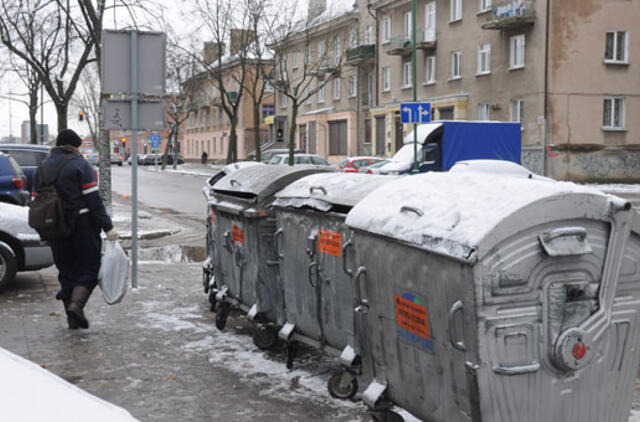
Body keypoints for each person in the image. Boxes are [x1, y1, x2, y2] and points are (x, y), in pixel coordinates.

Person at [34, 129, 118, 329]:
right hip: (82, 225)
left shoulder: (43, 167)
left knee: (66, 271)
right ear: (75, 147)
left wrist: (42, 231)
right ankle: (76, 306)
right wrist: (108, 227)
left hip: (54, 226)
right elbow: (93, 200)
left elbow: (36, 200)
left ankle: (71, 318)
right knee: (90, 267)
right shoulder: (80, 165)